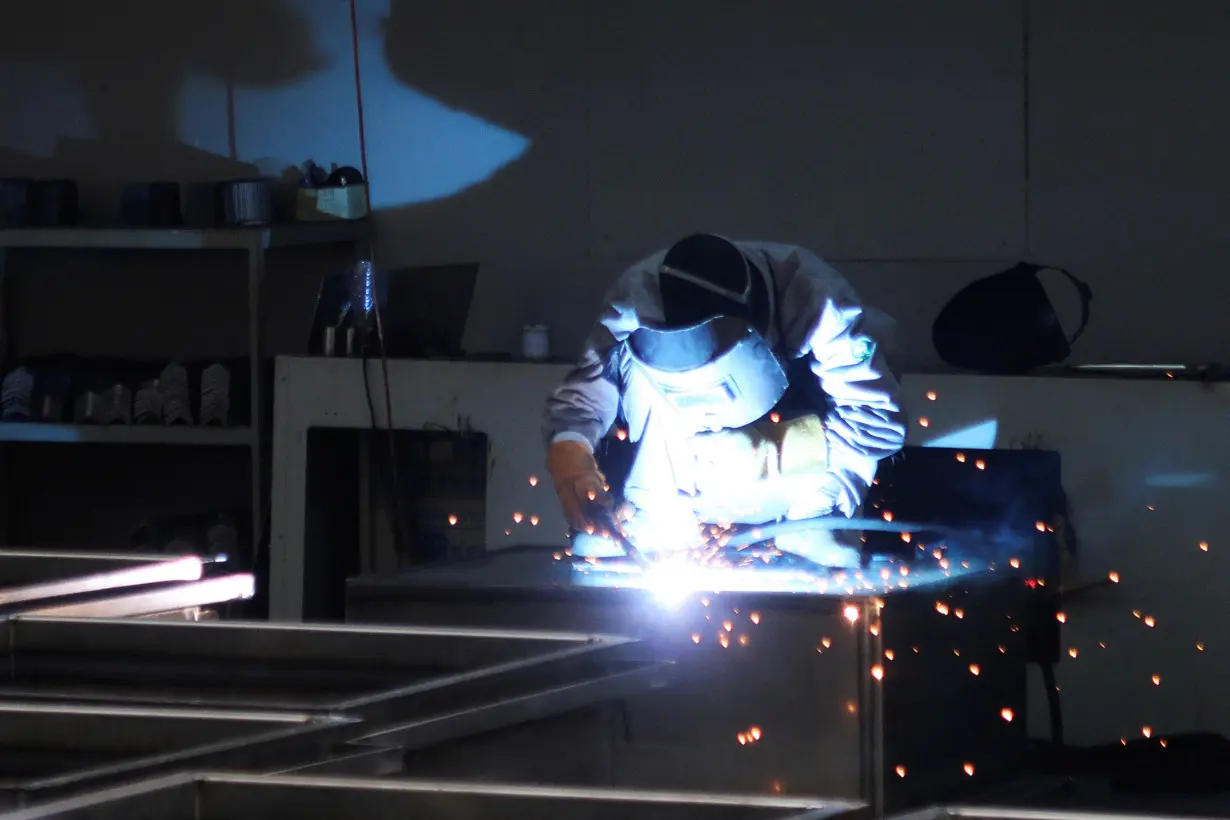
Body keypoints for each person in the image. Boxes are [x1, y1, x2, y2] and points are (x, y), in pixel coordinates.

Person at [542, 234, 905, 567]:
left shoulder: (818, 301)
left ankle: (812, 523)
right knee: (628, 356)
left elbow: (873, 420)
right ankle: (658, 514)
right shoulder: (638, 298)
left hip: (794, 417)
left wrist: (773, 453)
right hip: (680, 454)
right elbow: (589, 386)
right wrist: (570, 449)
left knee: (881, 337)